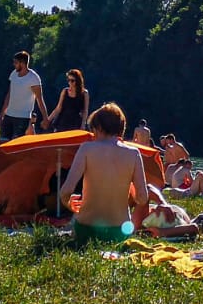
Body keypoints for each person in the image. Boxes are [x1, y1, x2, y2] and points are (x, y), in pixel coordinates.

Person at [59, 102, 149, 246]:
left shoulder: (87, 149)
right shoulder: (133, 153)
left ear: (99, 127)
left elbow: (66, 191)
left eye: (93, 130)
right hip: (119, 232)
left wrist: (69, 204)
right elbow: (143, 198)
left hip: (86, 231)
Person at [0, 51, 49, 141]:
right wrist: (1, 115)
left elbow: (39, 99)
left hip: (22, 117)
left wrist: (45, 118)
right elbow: (9, 95)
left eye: (16, 62)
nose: (14, 65)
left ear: (22, 63)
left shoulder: (33, 78)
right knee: (2, 143)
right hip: (9, 115)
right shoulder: (14, 74)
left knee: (15, 145)